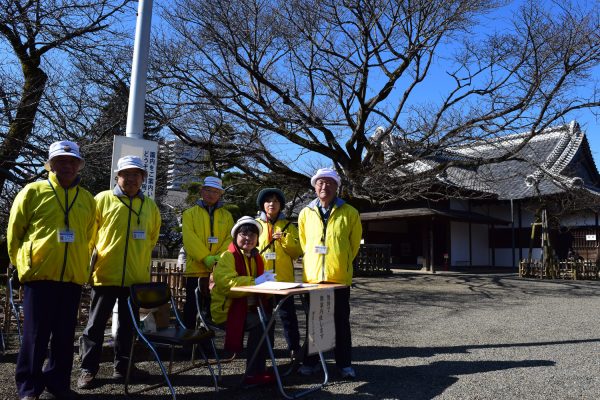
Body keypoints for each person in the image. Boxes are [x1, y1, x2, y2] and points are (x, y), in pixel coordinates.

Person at [7, 140, 96, 400]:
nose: (67, 165)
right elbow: (15, 233)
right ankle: (29, 388)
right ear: (51, 164)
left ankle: (58, 384)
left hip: (71, 278)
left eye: (72, 161)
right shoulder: (33, 191)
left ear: (79, 166)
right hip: (39, 276)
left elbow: (89, 236)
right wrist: (22, 264)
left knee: (64, 336)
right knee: (34, 336)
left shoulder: (87, 199)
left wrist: (82, 267)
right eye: (61, 160)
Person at [77, 155, 161, 389]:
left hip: (135, 278)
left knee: (127, 326)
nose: (131, 179)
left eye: (136, 174)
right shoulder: (102, 199)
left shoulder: (150, 206)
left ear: (143, 178)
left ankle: (123, 368)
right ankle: (87, 369)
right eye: (126, 174)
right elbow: (89, 237)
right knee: (95, 325)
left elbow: (152, 238)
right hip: (105, 274)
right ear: (117, 176)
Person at [297, 167, 362, 379]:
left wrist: (339, 263)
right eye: (320, 182)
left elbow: (353, 246)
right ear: (315, 186)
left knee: (341, 322)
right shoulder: (305, 213)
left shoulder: (350, 212)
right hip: (313, 278)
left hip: (338, 278)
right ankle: (312, 362)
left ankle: (344, 364)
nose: (324, 186)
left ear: (336, 187)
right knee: (314, 321)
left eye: (329, 182)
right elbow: (305, 243)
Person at [210, 216, 277, 386]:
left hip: (247, 308)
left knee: (268, 320)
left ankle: (259, 368)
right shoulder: (227, 256)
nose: (248, 238)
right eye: (244, 234)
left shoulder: (255, 257)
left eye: (253, 235)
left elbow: (259, 281)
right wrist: (256, 282)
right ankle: (253, 372)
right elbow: (228, 285)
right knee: (262, 324)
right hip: (227, 310)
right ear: (236, 236)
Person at [255, 188, 303, 362]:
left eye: (275, 201)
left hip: (284, 281)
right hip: (263, 280)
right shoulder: (256, 225)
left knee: (288, 316)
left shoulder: (289, 226)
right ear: (262, 205)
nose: (271, 204)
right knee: (264, 318)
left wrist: (284, 238)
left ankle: (294, 348)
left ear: (281, 205)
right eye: (268, 201)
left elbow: (297, 251)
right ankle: (267, 348)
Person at [181, 176, 234, 329]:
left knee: (211, 308)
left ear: (220, 194)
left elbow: (230, 238)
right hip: (195, 270)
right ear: (202, 191)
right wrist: (205, 258)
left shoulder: (227, 215)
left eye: (216, 191)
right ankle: (188, 342)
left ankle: (207, 344)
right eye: (208, 190)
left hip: (217, 270)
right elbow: (190, 239)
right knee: (192, 306)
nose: (211, 194)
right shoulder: (189, 214)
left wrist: (218, 258)